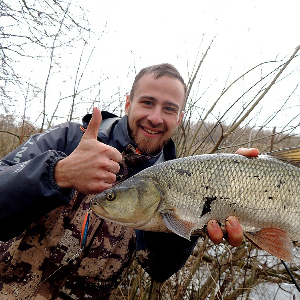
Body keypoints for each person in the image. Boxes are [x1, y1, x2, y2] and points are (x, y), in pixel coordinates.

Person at [0, 63, 258, 299]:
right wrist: (58, 173)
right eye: (147, 102)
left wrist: (201, 212)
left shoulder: (185, 178)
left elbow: (160, 269)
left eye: (169, 109)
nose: (156, 118)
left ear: (179, 118)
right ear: (128, 103)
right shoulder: (67, 139)